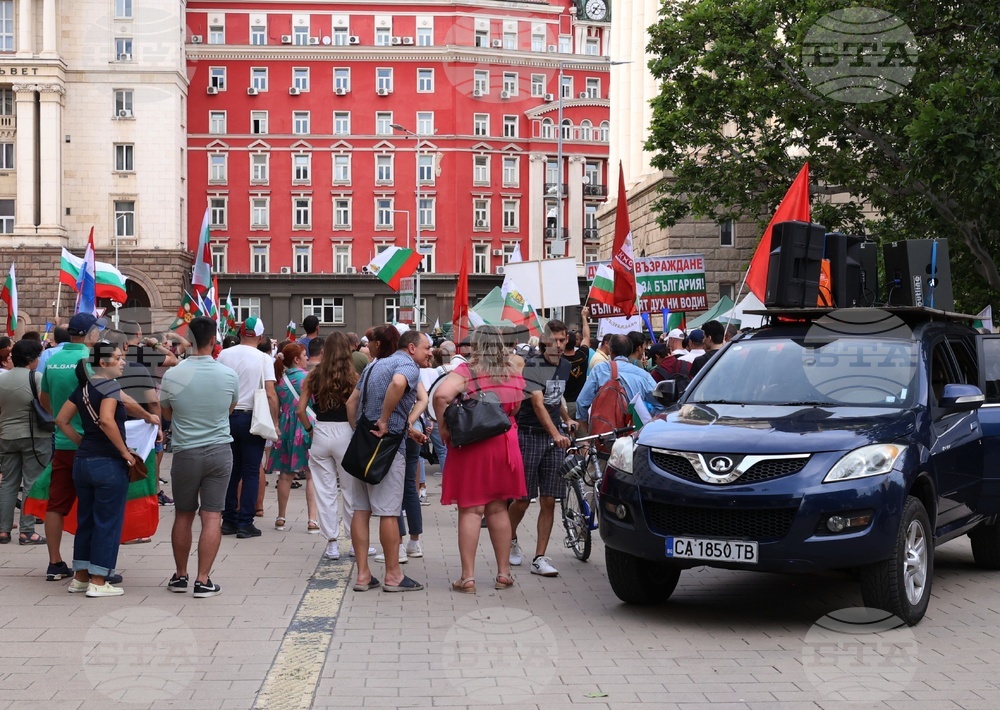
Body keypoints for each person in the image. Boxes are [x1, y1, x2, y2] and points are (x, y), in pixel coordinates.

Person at [434, 325, 525, 593]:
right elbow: (516, 407)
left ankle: (468, 577)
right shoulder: (512, 371)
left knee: (472, 510)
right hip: (505, 443)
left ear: (475, 346)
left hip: (474, 445)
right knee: (498, 508)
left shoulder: (467, 372)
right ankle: (503, 573)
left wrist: (443, 426)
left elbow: (441, 396)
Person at [344, 329, 431, 593]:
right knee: (389, 512)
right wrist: (384, 419)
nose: (430, 352)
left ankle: (362, 575)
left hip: (363, 443)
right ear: (412, 348)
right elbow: (397, 384)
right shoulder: (406, 364)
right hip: (388, 446)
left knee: (361, 509)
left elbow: (351, 402)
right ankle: (393, 575)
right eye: (427, 348)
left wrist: (361, 429)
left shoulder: (373, 365)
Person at [159, 316, 239, 598]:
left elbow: (167, 414)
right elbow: (230, 410)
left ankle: (181, 576)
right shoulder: (228, 375)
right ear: (214, 340)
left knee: (183, 514)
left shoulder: (173, 375)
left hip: (185, 452)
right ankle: (203, 580)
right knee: (212, 516)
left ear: (189, 340)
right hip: (219, 450)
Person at [54, 342, 133, 597]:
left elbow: (61, 420)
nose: (122, 362)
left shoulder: (84, 387)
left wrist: (80, 442)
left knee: (85, 520)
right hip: (107, 462)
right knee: (107, 521)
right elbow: (108, 420)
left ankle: (80, 576)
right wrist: (123, 451)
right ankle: (99, 581)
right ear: (103, 363)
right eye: (118, 358)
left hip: (83, 461)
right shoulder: (110, 386)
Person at [39, 313, 105, 581]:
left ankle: (55, 562)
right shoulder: (91, 362)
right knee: (96, 505)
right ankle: (94, 565)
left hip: (63, 441)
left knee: (56, 503)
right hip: (91, 443)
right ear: (89, 334)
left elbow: (45, 401)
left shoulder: (52, 361)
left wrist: (62, 417)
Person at [508, 320, 575, 578]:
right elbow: (537, 403)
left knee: (549, 499)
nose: (557, 345)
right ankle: (510, 537)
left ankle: (539, 557)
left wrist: (566, 418)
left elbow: (554, 398)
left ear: (567, 339)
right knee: (523, 499)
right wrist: (556, 433)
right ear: (544, 340)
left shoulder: (566, 365)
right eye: (553, 340)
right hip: (530, 434)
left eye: (561, 340)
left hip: (554, 438)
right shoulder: (533, 365)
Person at [298, 332, 358, 561]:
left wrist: (310, 430)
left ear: (324, 351)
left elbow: (300, 410)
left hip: (321, 432)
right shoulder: (353, 376)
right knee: (351, 491)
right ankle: (354, 543)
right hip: (345, 432)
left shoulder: (313, 376)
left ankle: (332, 544)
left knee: (325, 491)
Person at [217, 317, 279, 539]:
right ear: (260, 337)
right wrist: (275, 421)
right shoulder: (264, 359)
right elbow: (270, 393)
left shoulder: (224, 354)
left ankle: (228, 520)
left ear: (240, 333)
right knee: (251, 471)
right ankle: (245, 522)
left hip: (227, 417)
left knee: (231, 470)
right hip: (253, 418)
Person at [0, 340, 51, 545]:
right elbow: (46, 405)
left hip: (6, 436)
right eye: (38, 356)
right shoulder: (36, 377)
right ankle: (27, 531)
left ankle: (3, 531)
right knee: (32, 481)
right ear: (31, 359)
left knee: (8, 483)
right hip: (34, 436)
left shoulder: (2, 379)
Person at [267, 342, 320, 534]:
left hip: (286, 426)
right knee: (311, 474)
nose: (307, 358)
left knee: (285, 474)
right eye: (304, 355)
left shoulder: (279, 379)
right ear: (297, 359)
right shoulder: (308, 378)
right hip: (306, 425)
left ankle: (281, 517)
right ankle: (312, 519)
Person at [576, 333, 660, 423]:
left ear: (610, 350)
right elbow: (660, 403)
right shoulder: (644, 375)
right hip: (633, 431)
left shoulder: (600, 370)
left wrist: (586, 427)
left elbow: (582, 402)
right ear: (629, 351)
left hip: (604, 431)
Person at [563, 307, 592, 421]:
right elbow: (586, 337)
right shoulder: (583, 355)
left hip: (564, 404)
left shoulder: (558, 360)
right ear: (576, 342)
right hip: (581, 402)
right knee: (582, 435)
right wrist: (584, 317)